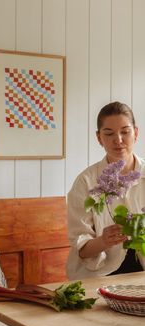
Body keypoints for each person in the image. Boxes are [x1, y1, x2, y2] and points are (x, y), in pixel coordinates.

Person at [66, 101, 145, 280]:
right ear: (99, 138)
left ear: (136, 133)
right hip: (98, 276)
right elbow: (82, 249)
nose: (118, 140)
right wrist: (103, 241)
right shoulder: (86, 182)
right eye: (109, 133)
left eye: (125, 132)